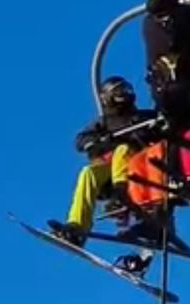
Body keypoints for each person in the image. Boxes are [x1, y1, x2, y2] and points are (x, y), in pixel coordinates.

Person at [49, 77, 157, 247]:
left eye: (125, 90)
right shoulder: (104, 122)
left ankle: (123, 194)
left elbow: (163, 125)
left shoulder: (143, 117)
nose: (123, 95)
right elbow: (82, 140)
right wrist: (97, 142)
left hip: (139, 166)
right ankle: (76, 225)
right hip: (110, 169)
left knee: (123, 150)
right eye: (118, 92)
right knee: (88, 173)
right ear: (107, 96)